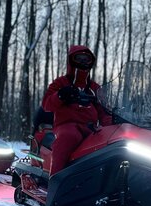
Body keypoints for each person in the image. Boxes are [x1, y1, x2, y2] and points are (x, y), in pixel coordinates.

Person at [42, 45, 111, 175]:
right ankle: (55, 180)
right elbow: (47, 104)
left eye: (87, 59)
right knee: (69, 136)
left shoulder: (94, 88)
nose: (83, 62)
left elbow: (104, 113)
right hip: (66, 125)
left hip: (91, 128)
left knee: (108, 140)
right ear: (72, 60)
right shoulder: (61, 83)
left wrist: (115, 120)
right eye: (79, 58)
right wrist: (61, 95)